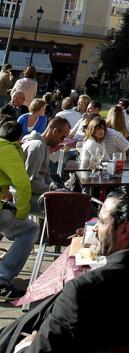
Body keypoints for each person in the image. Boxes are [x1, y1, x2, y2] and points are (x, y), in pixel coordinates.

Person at [0, 185, 129, 353]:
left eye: (102, 221)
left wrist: (24, 348)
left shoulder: (81, 292)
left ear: (125, 229)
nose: (95, 228)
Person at [0, 117, 39, 299]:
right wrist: (22, 213)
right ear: (18, 139)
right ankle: (2, 277)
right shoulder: (7, 149)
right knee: (30, 229)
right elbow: (23, 185)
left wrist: (4, 190)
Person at [21, 117, 70, 213]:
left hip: (36, 193)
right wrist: (52, 190)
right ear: (55, 131)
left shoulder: (42, 145)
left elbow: (45, 177)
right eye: (62, 137)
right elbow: (30, 183)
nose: (62, 141)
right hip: (27, 197)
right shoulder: (37, 147)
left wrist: (56, 188)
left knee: (72, 199)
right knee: (71, 207)